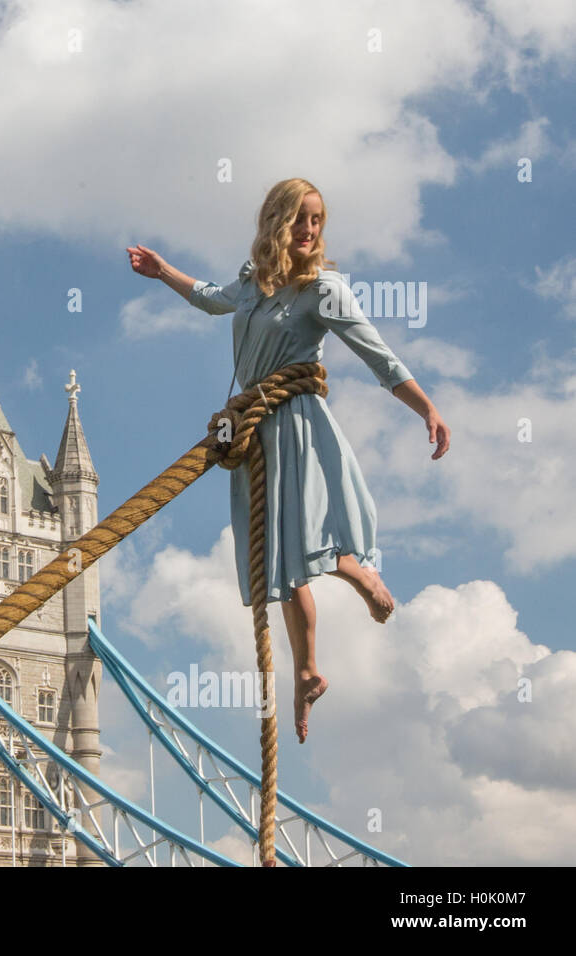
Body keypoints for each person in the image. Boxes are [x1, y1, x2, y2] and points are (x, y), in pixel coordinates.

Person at [126, 178, 450, 743]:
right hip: (254, 432)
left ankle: (359, 573)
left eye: (317, 220)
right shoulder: (252, 284)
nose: (309, 230)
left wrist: (427, 409)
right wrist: (164, 273)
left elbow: (379, 355)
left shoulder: (323, 291)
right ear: (276, 222)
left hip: (294, 420)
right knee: (279, 559)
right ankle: (305, 671)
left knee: (303, 539)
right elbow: (210, 297)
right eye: (300, 218)